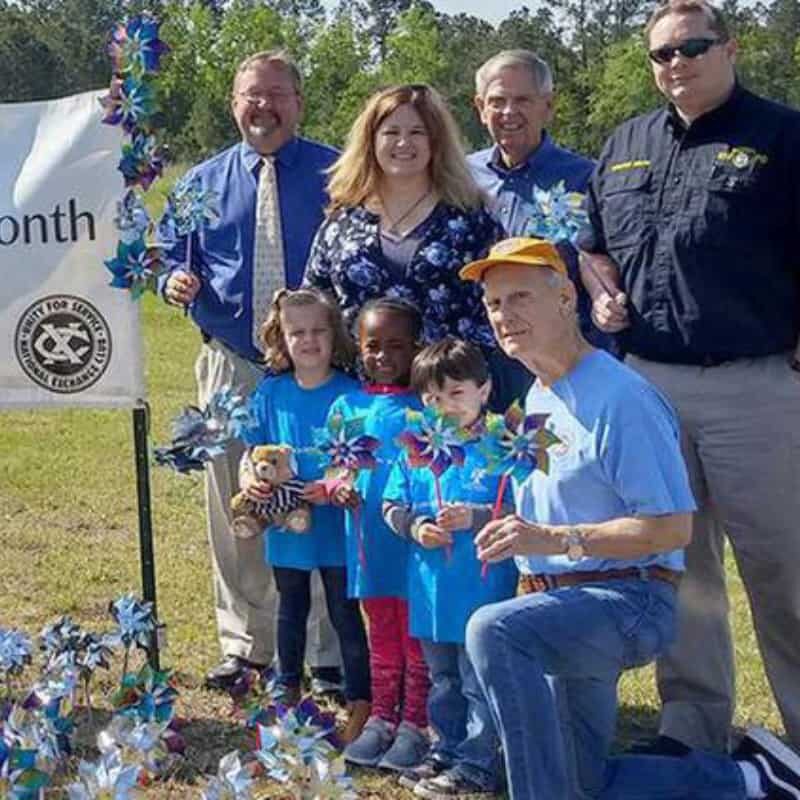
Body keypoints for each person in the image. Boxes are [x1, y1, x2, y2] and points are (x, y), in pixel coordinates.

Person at [460, 236, 800, 800]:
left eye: (520, 297)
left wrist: (554, 539)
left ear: (568, 298)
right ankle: (751, 778)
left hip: (628, 602)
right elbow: (547, 508)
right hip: (558, 606)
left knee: (492, 630)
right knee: (583, 785)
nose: (504, 315)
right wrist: (479, 519)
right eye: (494, 304)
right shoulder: (537, 398)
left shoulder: (622, 399)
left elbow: (671, 529)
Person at [578, 0, 800, 755]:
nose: (675, 65)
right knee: (678, 563)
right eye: (661, 55)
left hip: (756, 385)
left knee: (783, 566)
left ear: (731, 49)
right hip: (650, 386)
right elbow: (593, 243)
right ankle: (693, 725)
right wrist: (601, 285)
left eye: (691, 48)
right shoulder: (627, 142)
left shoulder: (784, 136)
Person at [159, 50, 341, 690]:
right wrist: (173, 281)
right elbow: (165, 259)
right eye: (249, 96)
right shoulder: (199, 184)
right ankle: (246, 646)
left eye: (276, 95)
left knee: (315, 503)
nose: (262, 107)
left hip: (316, 372)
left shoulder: (339, 174)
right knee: (235, 509)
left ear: (298, 101)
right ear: (234, 103)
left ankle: (325, 651)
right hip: (231, 366)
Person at [302, 84, 510, 407]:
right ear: (371, 141)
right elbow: (315, 306)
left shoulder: (473, 221)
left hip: (449, 409)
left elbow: (500, 307)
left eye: (417, 132)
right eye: (391, 132)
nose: (403, 143)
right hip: (360, 407)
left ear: (435, 143)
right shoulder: (340, 223)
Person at [383, 337, 518, 799]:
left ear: (484, 390)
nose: (443, 407)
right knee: (443, 678)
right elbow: (391, 503)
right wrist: (416, 526)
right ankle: (448, 748)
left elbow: (524, 505)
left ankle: (480, 761)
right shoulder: (416, 446)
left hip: (484, 587)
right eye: (432, 398)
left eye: (456, 394)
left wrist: (477, 517)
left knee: (478, 678)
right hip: (430, 589)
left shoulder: (505, 441)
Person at [240, 288, 370, 741]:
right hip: (286, 524)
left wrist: (334, 485)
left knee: (344, 611)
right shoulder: (271, 392)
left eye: (319, 331)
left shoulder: (351, 394)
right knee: (290, 606)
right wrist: (250, 483)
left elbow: (359, 460)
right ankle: (288, 691)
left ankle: (361, 701)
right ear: (282, 338)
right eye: (298, 333)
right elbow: (251, 452)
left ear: (335, 336)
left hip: (336, 523)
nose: (309, 341)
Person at [468, 49, 617, 397]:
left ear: (548, 106)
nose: (508, 112)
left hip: (563, 366)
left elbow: (600, 257)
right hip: (482, 370)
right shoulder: (460, 177)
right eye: (497, 101)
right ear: (479, 108)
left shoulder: (586, 178)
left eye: (522, 100)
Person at [326, 298, 431, 771]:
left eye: (396, 345)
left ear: (415, 348)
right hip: (367, 543)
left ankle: (417, 721)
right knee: (381, 633)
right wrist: (339, 487)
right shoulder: (347, 403)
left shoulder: (429, 406)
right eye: (372, 346)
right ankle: (382, 716)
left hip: (413, 545)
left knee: (415, 634)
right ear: (357, 347)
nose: (383, 355)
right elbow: (336, 467)